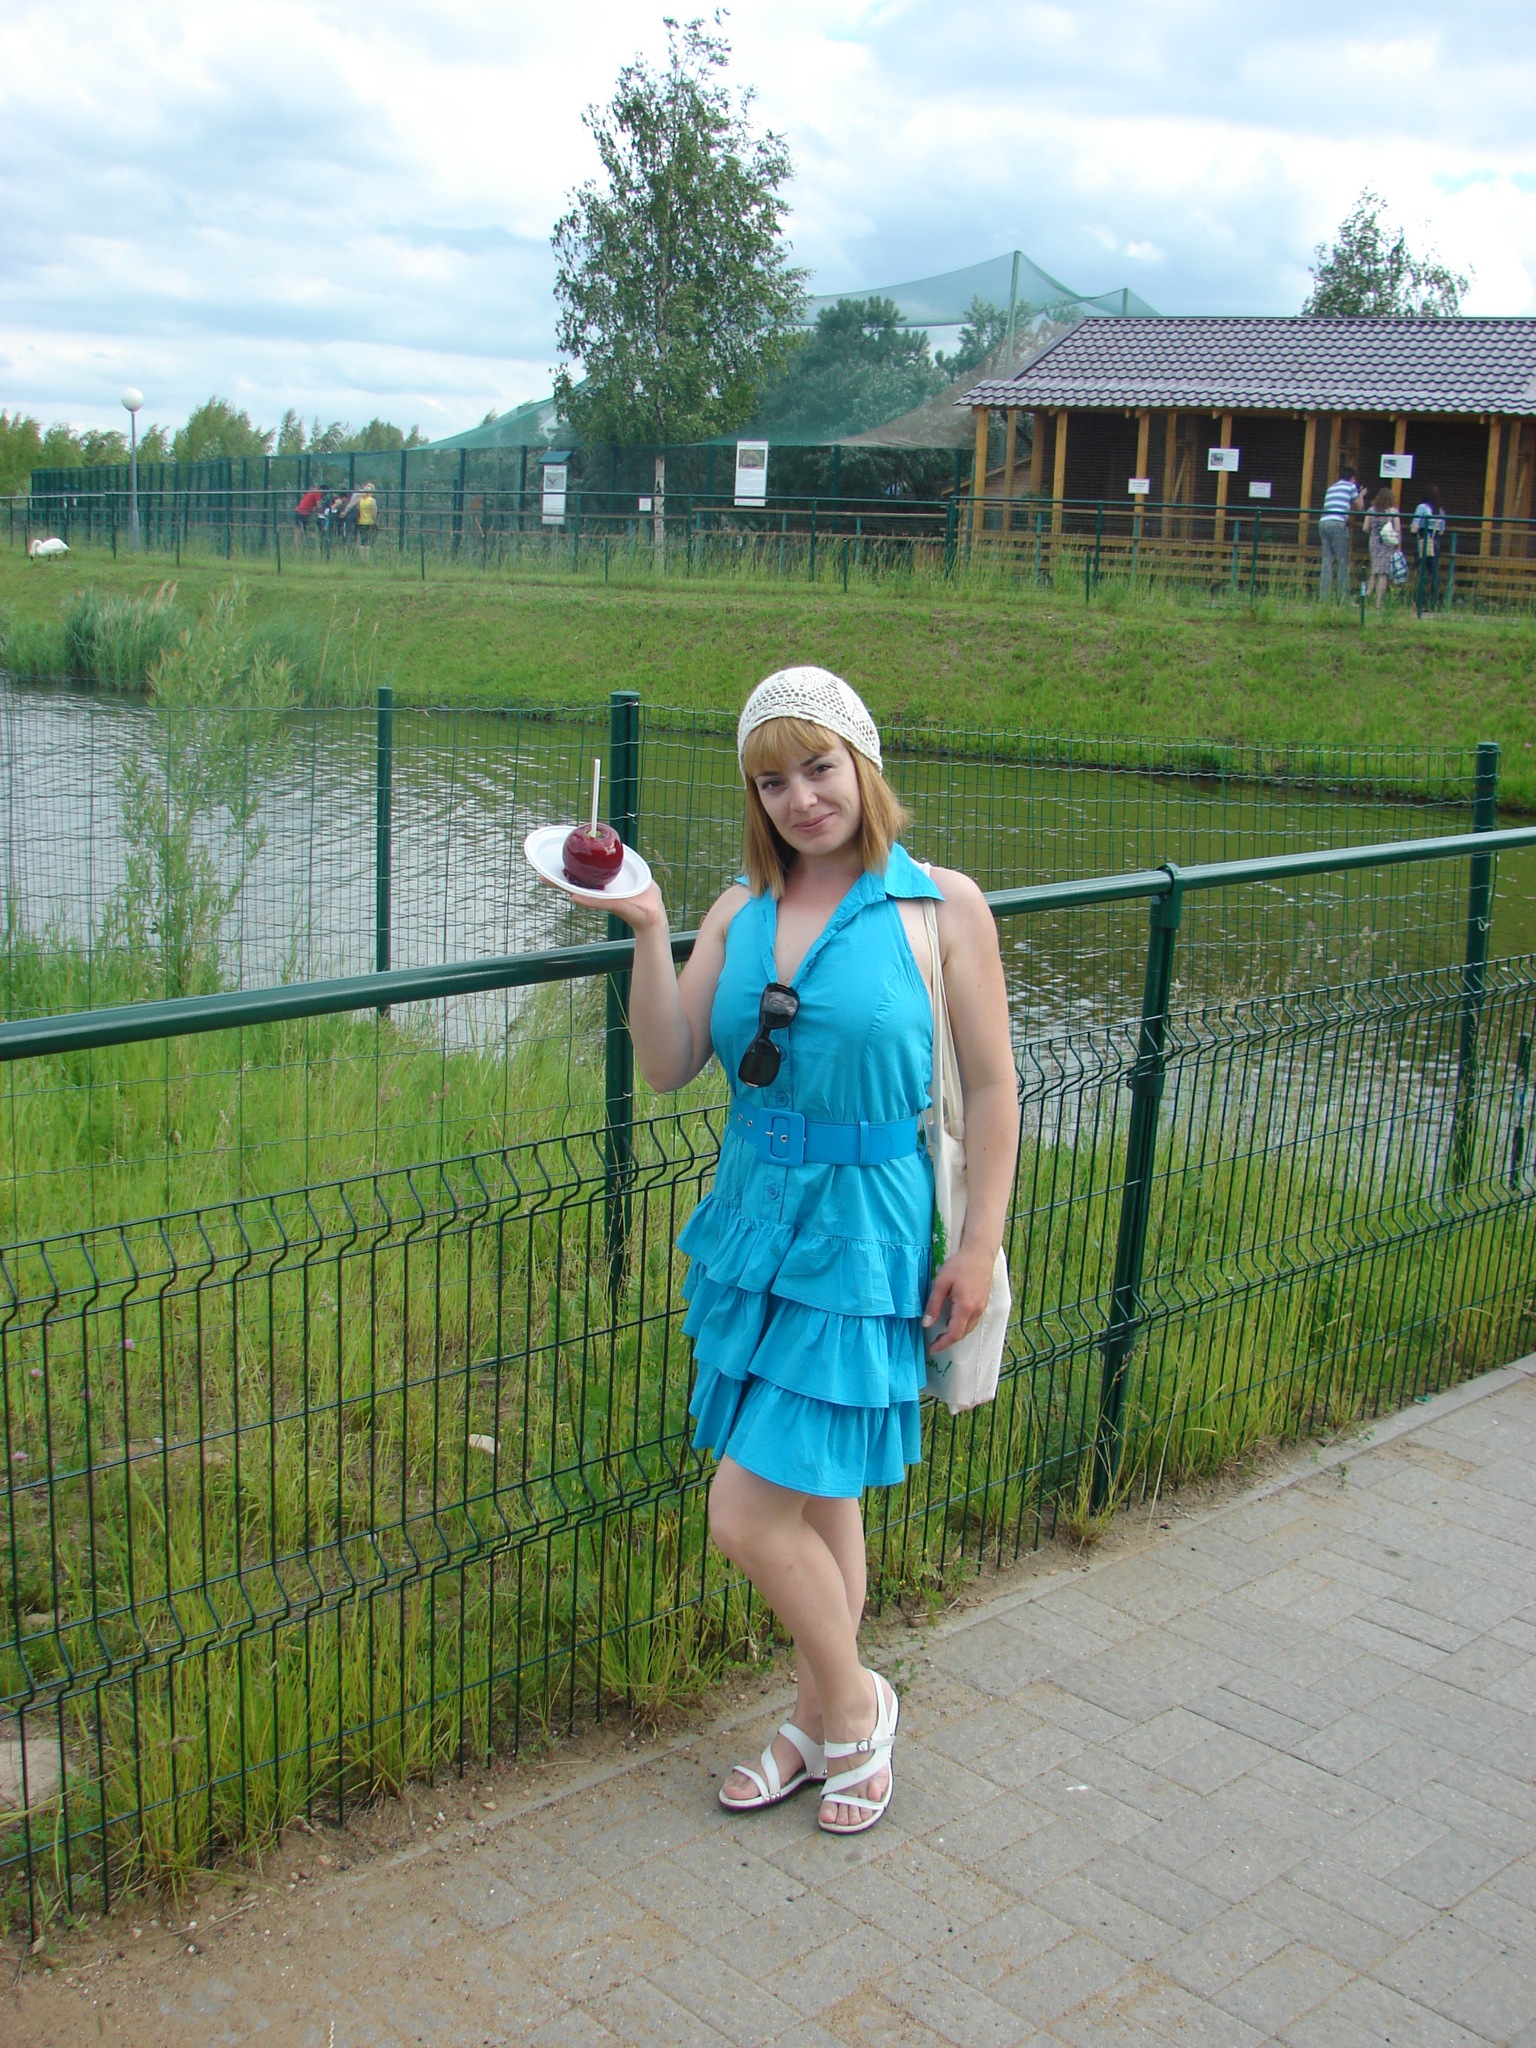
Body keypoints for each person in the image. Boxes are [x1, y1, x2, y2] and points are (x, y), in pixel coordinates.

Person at [597, 669, 1018, 1835]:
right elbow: (669, 1059)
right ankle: (817, 1722)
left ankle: (857, 1703)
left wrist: (978, 1244)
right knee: (822, 1493)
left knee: (746, 1512)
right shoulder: (738, 910)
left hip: (866, 1230)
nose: (800, 797)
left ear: (863, 766)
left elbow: (992, 1087)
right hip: (755, 1219)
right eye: (772, 779)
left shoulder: (940, 906)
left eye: (820, 767)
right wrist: (648, 927)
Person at [1318, 464, 1363, 600]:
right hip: (1337, 523)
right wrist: (1360, 494)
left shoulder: (1331, 488)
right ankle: (1343, 597)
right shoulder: (1351, 487)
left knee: (1327, 560)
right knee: (1342, 560)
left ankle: (1324, 597)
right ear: (1353, 478)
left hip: (1323, 522)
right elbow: (1360, 507)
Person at [1411, 486, 1447, 613]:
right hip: (1435, 542)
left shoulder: (1422, 508)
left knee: (1421, 572)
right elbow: (1442, 531)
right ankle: (1434, 603)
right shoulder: (1440, 511)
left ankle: (1420, 603)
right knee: (1434, 573)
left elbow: (1414, 527)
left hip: (1422, 541)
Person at [1364, 487, 1399, 610]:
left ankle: (1366, 597)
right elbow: (1397, 529)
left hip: (1374, 542)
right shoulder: (1393, 512)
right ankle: (1378, 603)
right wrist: (1398, 545)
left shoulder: (1371, 510)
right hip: (1387, 543)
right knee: (1383, 573)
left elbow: (1365, 528)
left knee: (1374, 570)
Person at [356, 484, 378, 554]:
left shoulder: (360, 500)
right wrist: (374, 520)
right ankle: (367, 556)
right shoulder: (372, 500)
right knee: (368, 540)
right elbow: (373, 512)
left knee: (362, 540)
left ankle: (362, 556)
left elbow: (358, 510)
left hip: (361, 522)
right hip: (369, 522)